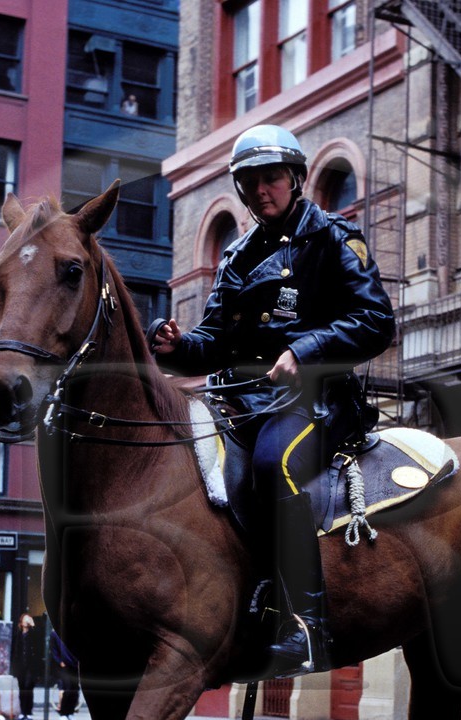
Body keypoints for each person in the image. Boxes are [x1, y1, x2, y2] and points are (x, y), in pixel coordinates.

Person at [149, 123, 394, 676]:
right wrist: (177, 346)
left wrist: (305, 351)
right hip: (240, 403)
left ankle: (305, 625)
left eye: (272, 178)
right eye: (250, 181)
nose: (262, 190)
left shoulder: (333, 235)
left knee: (274, 465)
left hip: (315, 400)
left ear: (296, 178)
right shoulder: (236, 257)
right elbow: (212, 344)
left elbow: (378, 320)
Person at [10, 612, 40, 720]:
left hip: (31, 667)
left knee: (29, 687)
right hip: (20, 666)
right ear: (21, 622)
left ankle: (29, 712)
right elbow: (13, 652)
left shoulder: (34, 634)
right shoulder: (17, 635)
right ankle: (23, 712)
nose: (27, 621)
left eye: (29, 619)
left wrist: (33, 625)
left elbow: (40, 642)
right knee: (22, 689)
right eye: (25, 619)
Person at [51, 630, 80, 720]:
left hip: (74, 664)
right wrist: (60, 662)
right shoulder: (55, 633)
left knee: (75, 689)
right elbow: (53, 650)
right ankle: (63, 713)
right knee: (67, 688)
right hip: (64, 665)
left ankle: (70, 713)